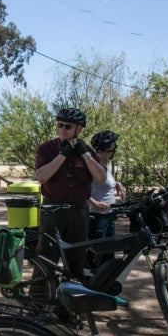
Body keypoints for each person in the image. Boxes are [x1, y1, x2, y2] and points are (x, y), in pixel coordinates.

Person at [34, 107, 106, 282]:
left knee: (76, 260)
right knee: (45, 258)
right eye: (59, 125)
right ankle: (38, 304)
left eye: (67, 126)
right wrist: (62, 155)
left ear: (79, 129)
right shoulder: (47, 149)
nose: (62, 130)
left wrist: (86, 156)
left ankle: (71, 306)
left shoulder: (86, 151)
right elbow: (42, 177)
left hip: (78, 212)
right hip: (53, 209)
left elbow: (101, 178)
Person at [87, 130, 126, 267]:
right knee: (96, 255)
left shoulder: (106, 165)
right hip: (96, 217)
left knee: (109, 254)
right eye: (113, 145)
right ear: (108, 147)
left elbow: (105, 183)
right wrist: (94, 202)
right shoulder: (93, 166)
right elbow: (82, 188)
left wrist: (118, 184)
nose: (114, 148)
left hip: (109, 216)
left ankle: (105, 285)